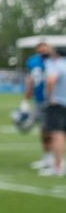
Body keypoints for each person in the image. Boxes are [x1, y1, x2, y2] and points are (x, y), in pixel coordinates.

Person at [25, 40, 54, 169]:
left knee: (54, 130)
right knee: (43, 130)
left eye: (45, 48)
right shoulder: (32, 61)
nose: (42, 50)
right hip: (39, 99)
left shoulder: (55, 60)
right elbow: (30, 78)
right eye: (40, 48)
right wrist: (27, 95)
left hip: (54, 100)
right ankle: (47, 157)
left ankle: (55, 158)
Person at [40, 47, 66, 177]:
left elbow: (51, 80)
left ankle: (57, 166)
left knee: (57, 135)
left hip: (58, 104)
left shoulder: (57, 65)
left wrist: (50, 98)